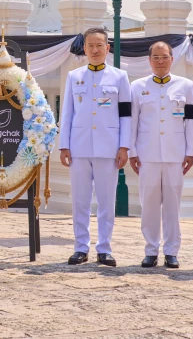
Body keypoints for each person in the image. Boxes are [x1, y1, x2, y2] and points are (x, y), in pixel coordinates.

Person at [59, 27, 131, 267]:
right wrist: (64, 145)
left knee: (106, 201)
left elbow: (126, 115)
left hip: (108, 147)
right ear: (84, 48)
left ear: (107, 47)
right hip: (79, 147)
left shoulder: (119, 77)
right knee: (80, 200)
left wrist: (124, 146)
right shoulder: (74, 76)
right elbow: (67, 113)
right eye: (90, 45)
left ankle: (104, 248)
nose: (95, 50)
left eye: (99, 45)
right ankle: (81, 247)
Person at [128, 40, 193, 269]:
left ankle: (171, 251)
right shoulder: (137, 86)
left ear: (172, 59)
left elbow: (191, 122)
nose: (160, 61)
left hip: (175, 153)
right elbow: (133, 121)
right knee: (148, 204)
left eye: (164, 57)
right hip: (147, 154)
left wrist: (191, 151)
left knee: (172, 205)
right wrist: (132, 151)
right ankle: (150, 250)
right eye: (155, 57)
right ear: (149, 60)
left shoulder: (185, 86)